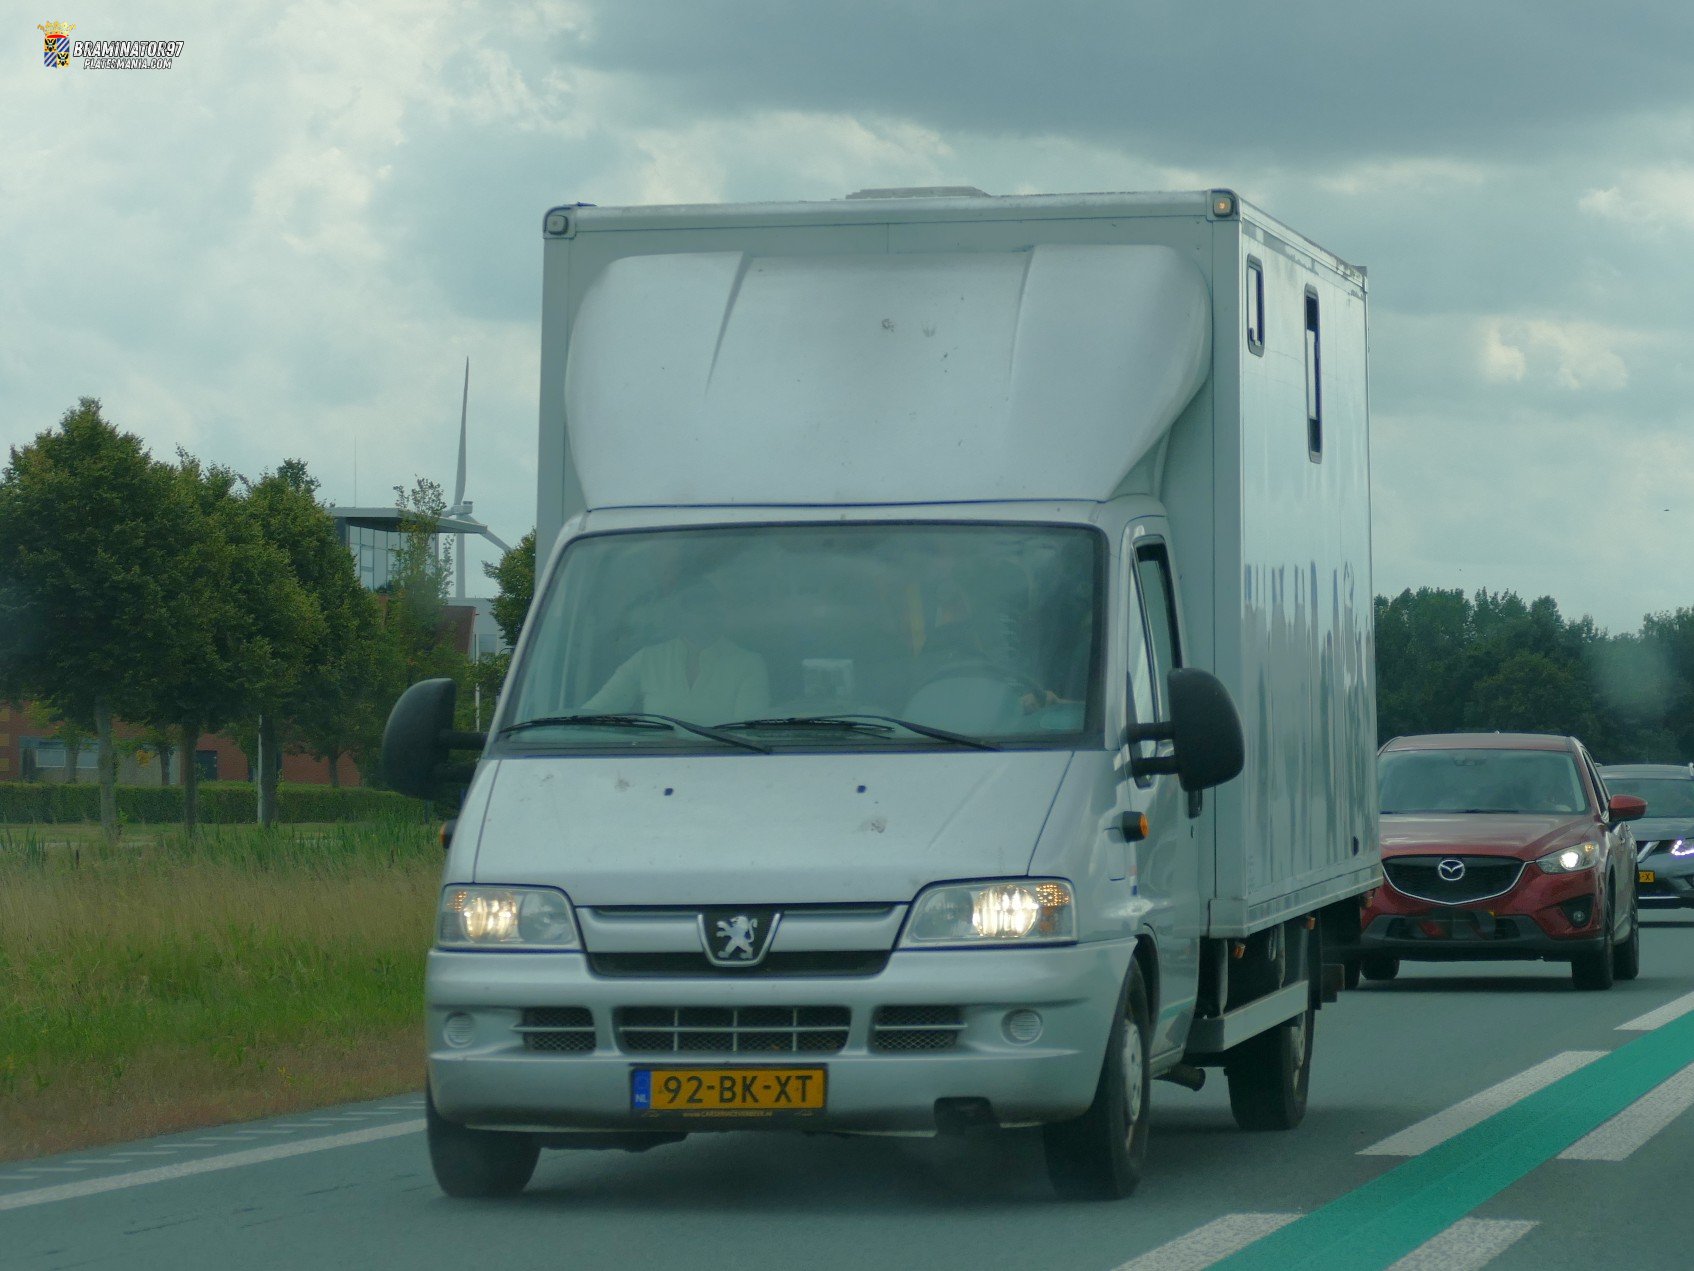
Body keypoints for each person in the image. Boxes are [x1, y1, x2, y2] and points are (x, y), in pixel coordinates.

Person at [581, 580, 770, 723]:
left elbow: (749, 732)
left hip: (726, 764)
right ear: (678, 613)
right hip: (650, 765)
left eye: (712, 603)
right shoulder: (648, 659)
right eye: (695, 603)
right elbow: (595, 712)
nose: (706, 611)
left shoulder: (748, 663)